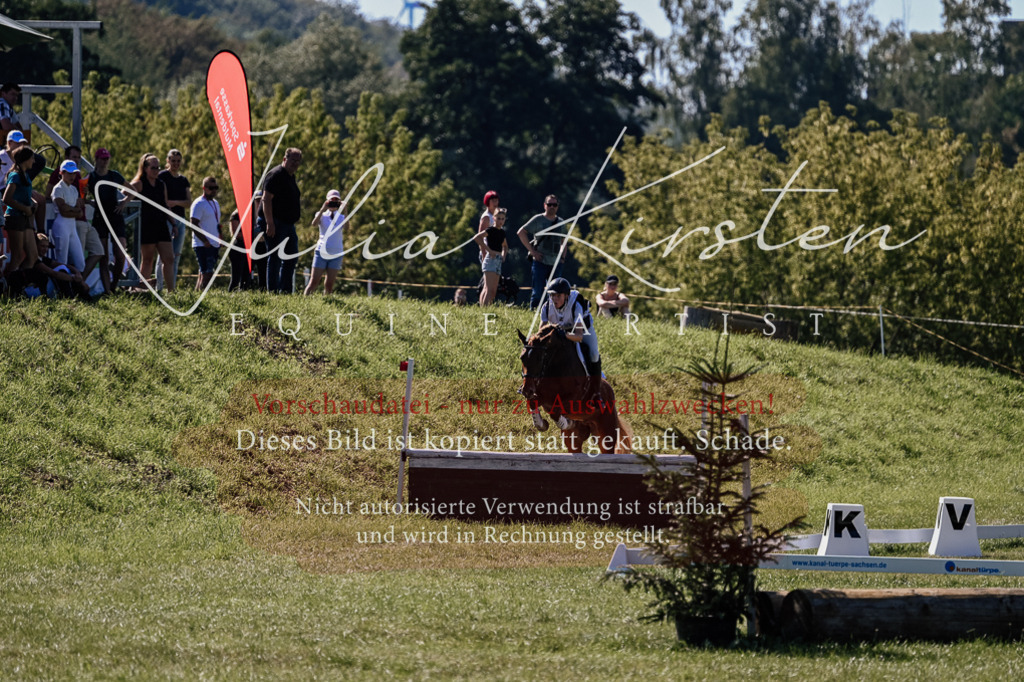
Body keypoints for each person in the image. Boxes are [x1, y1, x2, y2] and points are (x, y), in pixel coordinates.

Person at [540, 277, 602, 398]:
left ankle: (596, 392)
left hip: (583, 331)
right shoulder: (547, 307)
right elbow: (541, 332)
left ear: (566, 296)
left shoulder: (576, 306)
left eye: (558, 296)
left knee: (594, 354)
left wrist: (565, 335)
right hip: (562, 332)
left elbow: (578, 336)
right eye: (553, 295)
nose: (555, 299)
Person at [259, 147, 302, 293]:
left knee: (291, 256)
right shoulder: (276, 174)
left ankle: (285, 291)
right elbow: (266, 199)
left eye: (297, 161)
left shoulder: (290, 176)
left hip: (288, 224)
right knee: (275, 257)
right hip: (275, 222)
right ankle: (272, 291)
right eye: (292, 160)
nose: (295, 163)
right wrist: (270, 223)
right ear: (285, 159)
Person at [130, 153, 174, 292]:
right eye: (153, 167)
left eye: (158, 168)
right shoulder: (139, 183)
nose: (156, 171)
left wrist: (173, 224)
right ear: (145, 168)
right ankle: (141, 290)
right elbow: (123, 194)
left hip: (161, 225)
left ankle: (171, 291)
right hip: (146, 226)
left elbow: (165, 205)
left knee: (169, 258)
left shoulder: (161, 184)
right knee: (148, 259)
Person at [88, 148, 129, 290]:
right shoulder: (91, 177)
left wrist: (124, 202)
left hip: (115, 216)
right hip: (100, 217)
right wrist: (89, 202)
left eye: (107, 159)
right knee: (103, 257)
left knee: (120, 255)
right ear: (97, 159)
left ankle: (114, 284)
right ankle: (108, 291)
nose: (105, 162)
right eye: (102, 159)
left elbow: (132, 190)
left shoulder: (114, 175)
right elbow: (81, 195)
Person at [517, 194, 567, 309]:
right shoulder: (538, 219)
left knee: (556, 293)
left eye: (554, 205)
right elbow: (521, 232)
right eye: (549, 204)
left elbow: (564, 241)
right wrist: (533, 252)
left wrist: (562, 258)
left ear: (557, 207)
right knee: (537, 293)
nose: (552, 207)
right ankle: (533, 313)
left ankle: (553, 314)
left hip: (556, 263)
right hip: (540, 262)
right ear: (545, 206)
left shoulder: (561, 222)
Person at [155, 149, 191, 290]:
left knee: (175, 256)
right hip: (165, 219)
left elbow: (188, 202)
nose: (176, 163)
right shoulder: (162, 176)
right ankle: (159, 287)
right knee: (163, 256)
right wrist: (168, 204)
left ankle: (172, 288)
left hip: (180, 219)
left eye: (178, 161)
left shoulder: (183, 180)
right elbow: (160, 198)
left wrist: (175, 202)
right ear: (168, 161)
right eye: (173, 160)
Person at [2, 146, 38, 276]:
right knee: (17, 257)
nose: (34, 161)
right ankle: (8, 287)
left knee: (32, 256)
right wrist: (25, 208)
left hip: (25, 218)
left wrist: (32, 202)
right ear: (25, 159)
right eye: (32, 158)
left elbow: (23, 194)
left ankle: (19, 284)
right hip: (15, 217)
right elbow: (6, 198)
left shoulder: (25, 175)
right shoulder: (15, 175)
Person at [304, 189, 345, 296]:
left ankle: (327, 301)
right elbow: (314, 224)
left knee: (329, 284)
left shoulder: (341, 217)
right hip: (321, 252)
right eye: (331, 200)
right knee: (313, 282)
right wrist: (323, 209)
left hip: (336, 253)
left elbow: (347, 227)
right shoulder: (321, 215)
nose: (333, 203)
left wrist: (345, 211)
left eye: (336, 201)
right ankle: (304, 301)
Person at [50, 159, 87, 272]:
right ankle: (60, 287)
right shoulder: (58, 188)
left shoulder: (74, 189)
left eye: (74, 173)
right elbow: (63, 211)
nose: (72, 176)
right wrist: (74, 210)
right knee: (62, 260)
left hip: (71, 227)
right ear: (62, 173)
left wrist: (70, 209)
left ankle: (70, 284)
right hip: (61, 225)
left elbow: (78, 211)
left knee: (80, 262)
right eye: (69, 173)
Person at [189, 176, 222, 291]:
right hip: (202, 244)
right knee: (207, 273)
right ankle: (203, 296)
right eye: (210, 188)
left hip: (213, 243)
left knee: (203, 272)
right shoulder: (199, 203)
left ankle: (197, 293)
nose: (213, 190)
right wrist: (205, 240)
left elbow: (216, 223)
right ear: (204, 188)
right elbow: (193, 223)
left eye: (215, 188)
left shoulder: (215, 203)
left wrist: (220, 237)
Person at [475, 206, 508, 305]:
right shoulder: (491, 230)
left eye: (502, 219)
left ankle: (486, 308)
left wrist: (503, 255)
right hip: (491, 259)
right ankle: (484, 311)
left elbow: (505, 246)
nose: (500, 221)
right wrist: (489, 250)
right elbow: (477, 238)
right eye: (498, 218)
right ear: (494, 218)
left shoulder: (502, 232)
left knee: (493, 291)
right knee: (488, 289)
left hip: (498, 260)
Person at [227, 210, 254, 291]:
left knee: (246, 277)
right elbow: (236, 234)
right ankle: (231, 294)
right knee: (236, 278)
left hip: (248, 249)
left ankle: (243, 293)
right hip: (237, 248)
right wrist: (252, 232)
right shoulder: (236, 215)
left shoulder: (252, 213)